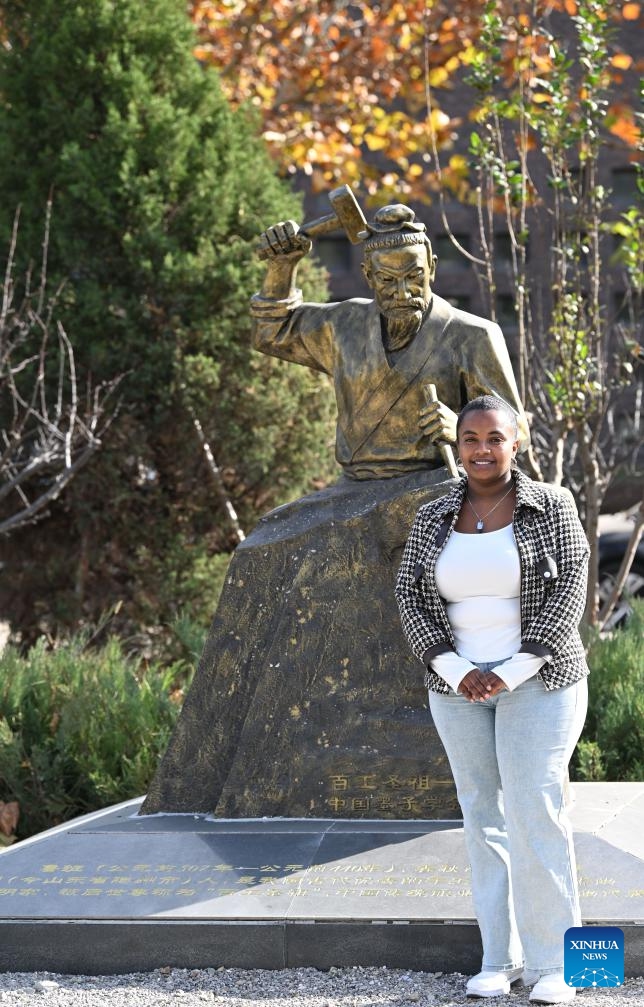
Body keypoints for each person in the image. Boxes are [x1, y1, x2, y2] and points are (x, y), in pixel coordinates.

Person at [395, 395, 590, 1005]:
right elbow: (409, 595)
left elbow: (571, 589)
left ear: (517, 441)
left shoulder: (552, 505)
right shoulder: (432, 515)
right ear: (458, 445)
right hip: (455, 688)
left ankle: (561, 967)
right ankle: (499, 960)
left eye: (494, 438)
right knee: (482, 816)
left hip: (540, 682)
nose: (482, 449)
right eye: (470, 439)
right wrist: (455, 669)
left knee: (536, 811)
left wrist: (511, 670)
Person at [251, 203, 530, 480]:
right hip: (354, 488)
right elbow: (272, 333)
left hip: (436, 484)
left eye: (414, 276)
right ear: (368, 276)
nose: (402, 292)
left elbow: (519, 432)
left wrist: (463, 430)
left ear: (432, 268)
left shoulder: (473, 335)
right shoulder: (345, 324)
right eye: (387, 279)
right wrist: (282, 267)